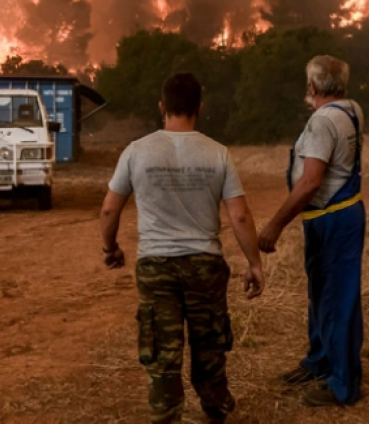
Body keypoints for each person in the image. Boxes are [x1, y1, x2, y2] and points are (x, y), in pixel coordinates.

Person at [99, 72, 265, 424]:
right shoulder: (217, 153)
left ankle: (166, 413)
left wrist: (110, 247)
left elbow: (110, 208)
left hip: (155, 266)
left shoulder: (136, 151)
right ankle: (215, 406)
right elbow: (240, 216)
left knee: (162, 349)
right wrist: (255, 263)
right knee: (210, 345)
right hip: (205, 264)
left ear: (162, 107)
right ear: (198, 108)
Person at [258, 55, 365, 408]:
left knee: (337, 299)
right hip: (340, 214)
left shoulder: (322, 122)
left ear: (313, 86)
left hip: (332, 218)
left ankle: (342, 384)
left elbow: (309, 182)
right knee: (323, 294)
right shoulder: (352, 109)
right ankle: (319, 360)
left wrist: (274, 225)